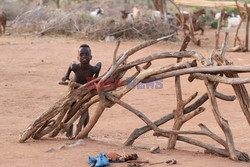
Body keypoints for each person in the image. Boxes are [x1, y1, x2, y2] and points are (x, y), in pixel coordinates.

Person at [61, 44, 101, 138]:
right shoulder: (75, 67)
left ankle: (85, 131)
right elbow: (71, 64)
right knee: (71, 109)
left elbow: (99, 65)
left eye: (86, 54)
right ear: (78, 57)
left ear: (90, 57)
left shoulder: (93, 69)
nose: (84, 56)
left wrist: (95, 78)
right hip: (75, 91)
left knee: (85, 109)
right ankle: (69, 130)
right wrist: (66, 76)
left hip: (86, 91)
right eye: (81, 54)